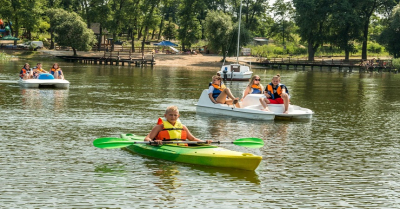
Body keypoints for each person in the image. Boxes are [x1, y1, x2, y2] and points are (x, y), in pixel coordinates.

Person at [144, 106, 212, 145]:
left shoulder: (183, 127)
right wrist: (154, 142)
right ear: (165, 116)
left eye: (175, 115)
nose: (173, 117)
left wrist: (204, 142)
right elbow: (146, 139)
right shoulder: (159, 127)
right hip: (164, 147)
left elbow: (193, 139)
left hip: (181, 147)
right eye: (170, 115)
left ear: (178, 116)